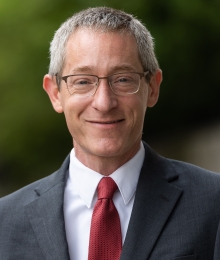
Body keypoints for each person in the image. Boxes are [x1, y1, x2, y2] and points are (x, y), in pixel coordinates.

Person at [0, 6, 220, 260]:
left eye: (123, 79)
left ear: (152, 88)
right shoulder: (5, 223)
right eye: (82, 81)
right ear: (55, 93)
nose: (104, 103)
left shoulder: (213, 204)